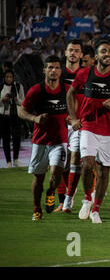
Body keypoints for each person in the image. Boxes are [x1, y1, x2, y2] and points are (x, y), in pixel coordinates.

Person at [67, 40, 110, 223]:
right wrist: (74, 118)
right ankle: (87, 197)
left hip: (109, 130)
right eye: (103, 51)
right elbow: (70, 93)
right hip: (88, 126)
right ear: (96, 57)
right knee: (87, 164)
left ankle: (96, 209)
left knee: (104, 172)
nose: (107, 54)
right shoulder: (84, 73)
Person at [17, 55, 69, 221]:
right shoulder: (36, 90)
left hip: (60, 140)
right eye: (50, 68)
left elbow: (74, 109)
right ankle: (36, 208)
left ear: (61, 71)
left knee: (55, 173)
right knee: (38, 178)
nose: (53, 71)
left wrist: (72, 118)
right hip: (40, 142)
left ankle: (51, 191)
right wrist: (34, 119)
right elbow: (21, 110)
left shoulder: (67, 90)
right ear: (44, 70)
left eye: (57, 68)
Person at [59, 39, 84, 213]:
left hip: (78, 123)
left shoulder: (86, 74)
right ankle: (61, 197)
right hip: (59, 123)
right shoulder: (57, 73)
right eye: (71, 50)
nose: (73, 53)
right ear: (66, 53)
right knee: (60, 163)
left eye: (76, 50)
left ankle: (68, 197)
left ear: (81, 55)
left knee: (75, 159)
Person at [0, 69, 25, 168]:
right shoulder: (1, 87)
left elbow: (23, 102)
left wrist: (16, 99)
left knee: (16, 138)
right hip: (3, 115)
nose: (9, 79)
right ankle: (8, 162)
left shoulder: (18, 86)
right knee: (5, 138)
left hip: (15, 115)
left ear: (13, 77)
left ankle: (16, 159)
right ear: (4, 78)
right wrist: (2, 99)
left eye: (11, 77)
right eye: (7, 77)